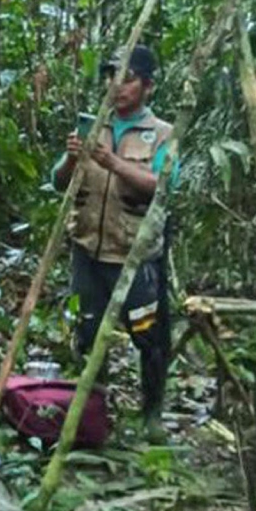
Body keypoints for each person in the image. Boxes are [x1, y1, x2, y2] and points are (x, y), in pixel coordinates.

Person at [52, 45, 177, 441]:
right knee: (88, 335)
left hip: (135, 255)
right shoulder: (96, 125)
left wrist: (113, 163)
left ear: (148, 86)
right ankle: (94, 415)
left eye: (126, 78)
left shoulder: (163, 134)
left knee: (150, 337)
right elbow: (59, 182)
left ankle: (152, 414)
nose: (116, 85)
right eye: (111, 76)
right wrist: (73, 159)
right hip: (88, 250)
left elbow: (161, 188)